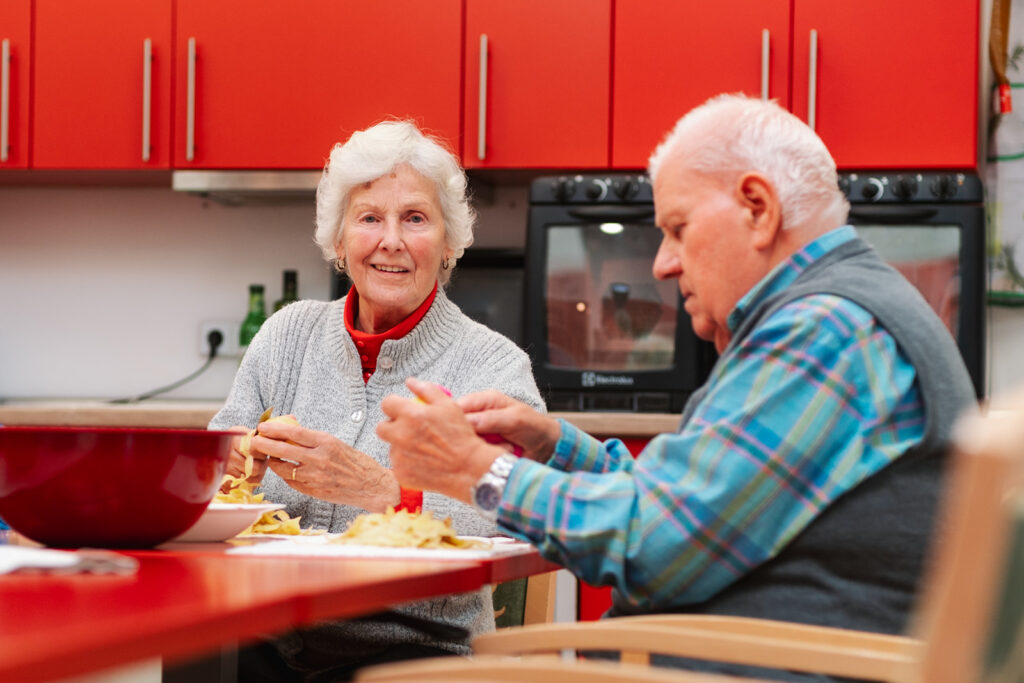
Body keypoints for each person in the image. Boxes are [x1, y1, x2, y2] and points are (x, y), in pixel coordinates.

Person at [377, 94, 978, 682]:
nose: (662, 264)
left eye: (677, 228)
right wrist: (554, 444)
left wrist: (476, 469)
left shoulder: (825, 331)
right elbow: (687, 500)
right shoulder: (837, 315)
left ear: (757, 209)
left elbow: (654, 543)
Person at [208, 119, 544, 682]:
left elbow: (513, 513)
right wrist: (225, 464)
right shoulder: (286, 335)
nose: (391, 240)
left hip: (417, 651)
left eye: (415, 218)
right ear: (339, 243)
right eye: (369, 218)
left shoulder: (494, 367)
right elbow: (211, 471)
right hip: (262, 636)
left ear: (448, 245)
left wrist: (377, 489)